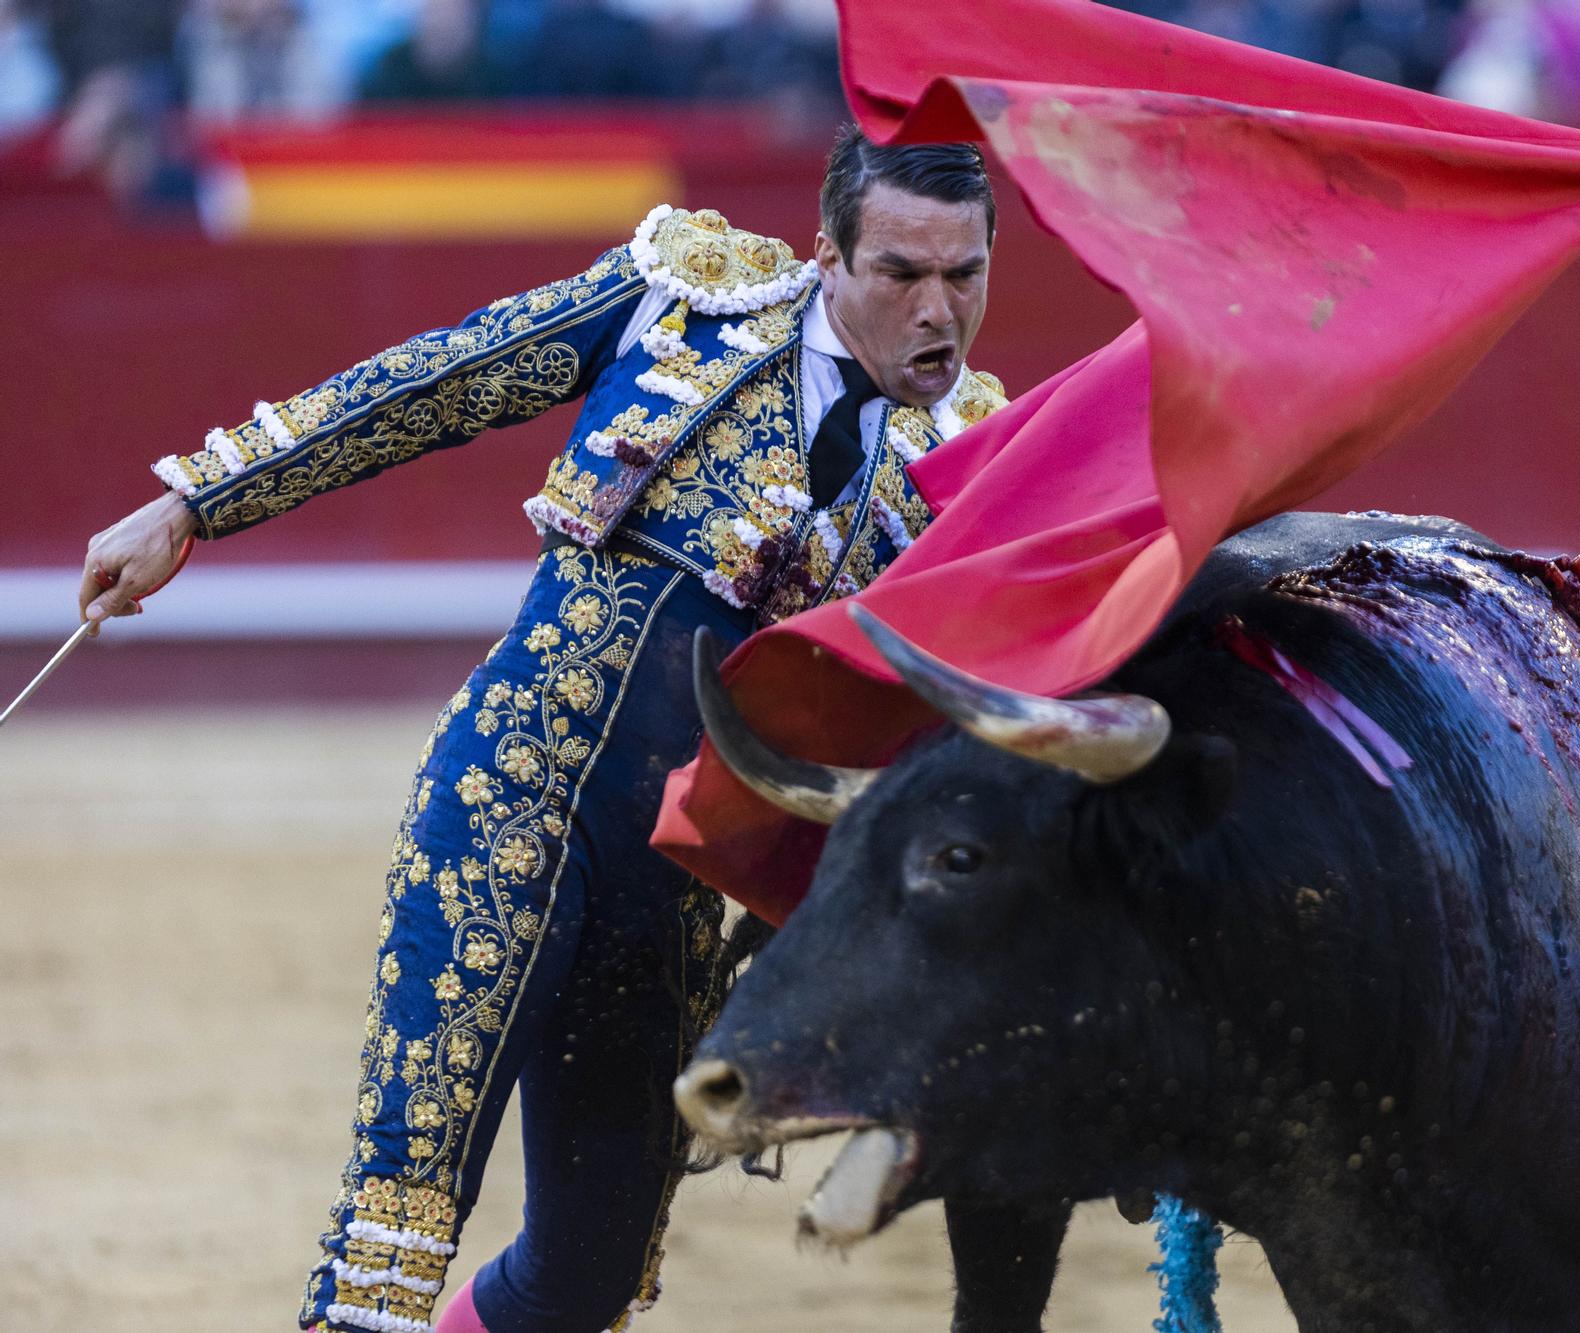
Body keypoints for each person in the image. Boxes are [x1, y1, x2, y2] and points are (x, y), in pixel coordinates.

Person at [79, 126, 1007, 1333]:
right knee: (390, 1243)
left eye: (965, 275)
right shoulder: (693, 302)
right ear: (828, 256)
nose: (939, 310)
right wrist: (195, 500)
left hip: (672, 894)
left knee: (588, 1278)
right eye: (901, 274)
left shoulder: (969, 468)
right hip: (512, 809)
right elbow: (442, 382)